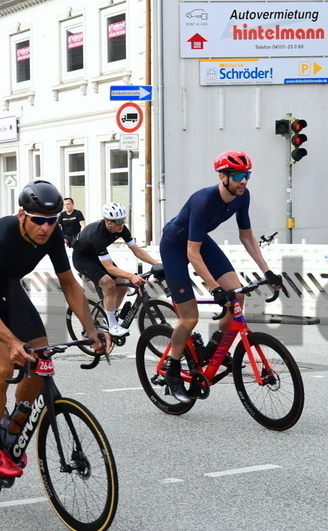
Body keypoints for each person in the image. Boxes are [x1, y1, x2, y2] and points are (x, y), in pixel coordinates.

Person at [0, 181, 106, 478]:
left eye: (52, 221)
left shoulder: (52, 233)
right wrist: (10, 342)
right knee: (2, 366)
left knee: (42, 356)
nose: (46, 228)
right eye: (38, 220)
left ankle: (19, 418)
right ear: (22, 215)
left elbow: (69, 282)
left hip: (7, 286)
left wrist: (91, 329)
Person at [158, 150, 282, 403]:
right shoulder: (204, 200)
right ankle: (172, 371)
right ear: (223, 176)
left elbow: (246, 236)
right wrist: (214, 288)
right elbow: (192, 253)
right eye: (237, 175)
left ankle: (213, 346)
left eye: (247, 175)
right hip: (175, 246)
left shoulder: (242, 196)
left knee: (236, 297)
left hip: (201, 243)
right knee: (189, 317)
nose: (244, 181)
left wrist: (267, 272)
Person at [70, 202, 160, 337]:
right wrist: (131, 276)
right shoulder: (98, 234)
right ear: (107, 221)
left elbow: (136, 251)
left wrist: (157, 264)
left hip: (96, 257)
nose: (121, 224)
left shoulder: (122, 229)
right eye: (117, 221)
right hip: (83, 259)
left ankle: (111, 312)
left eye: (123, 220)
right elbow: (109, 267)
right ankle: (112, 325)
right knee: (109, 284)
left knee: (122, 286)